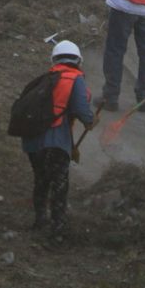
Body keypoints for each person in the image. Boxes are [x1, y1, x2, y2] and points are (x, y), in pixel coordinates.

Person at [23, 40, 94, 238]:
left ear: (54, 60)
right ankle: (58, 230)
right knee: (59, 185)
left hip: (32, 142)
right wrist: (90, 120)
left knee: (41, 181)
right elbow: (81, 109)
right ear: (79, 60)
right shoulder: (75, 78)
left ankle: (39, 221)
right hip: (54, 142)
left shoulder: (46, 79)